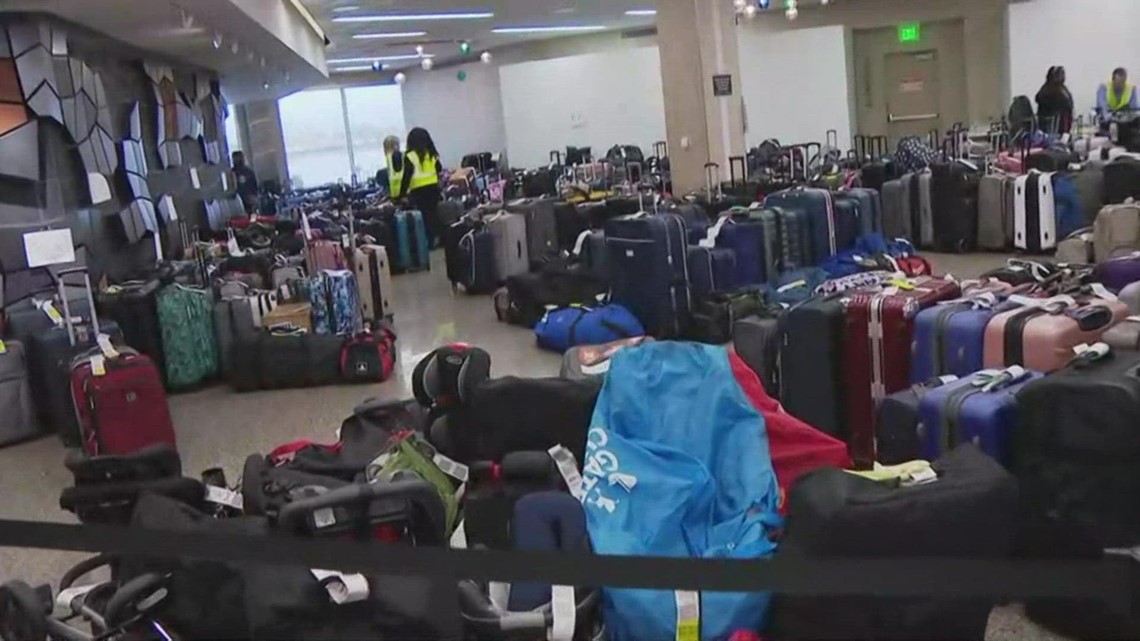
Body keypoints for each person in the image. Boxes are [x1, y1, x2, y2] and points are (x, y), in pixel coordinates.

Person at [400, 127, 443, 247]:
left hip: (418, 191)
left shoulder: (410, 156)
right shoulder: (432, 154)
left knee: (423, 218)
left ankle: (427, 242)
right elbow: (439, 168)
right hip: (433, 189)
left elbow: (406, 177)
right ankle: (436, 238)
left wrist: (402, 195)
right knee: (433, 214)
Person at [1035, 66, 1073, 134]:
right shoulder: (1048, 91)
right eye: (1059, 75)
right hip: (1052, 128)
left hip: (1062, 126)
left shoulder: (1062, 89)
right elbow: (1066, 105)